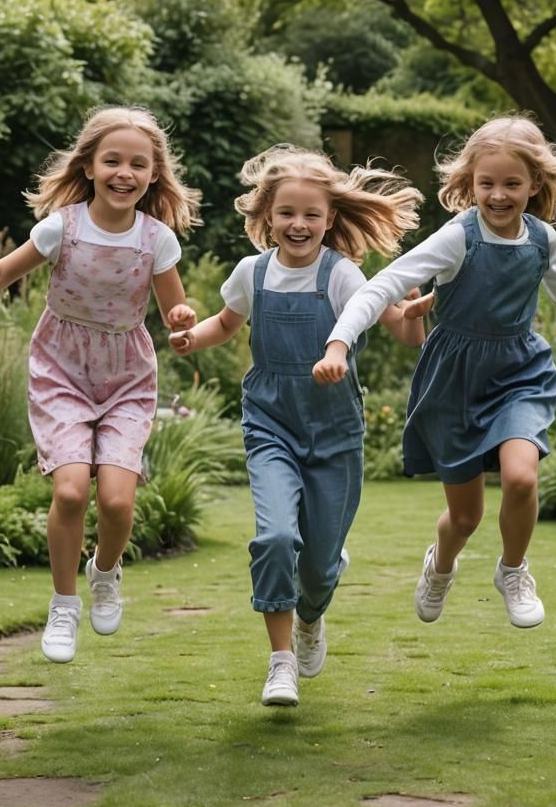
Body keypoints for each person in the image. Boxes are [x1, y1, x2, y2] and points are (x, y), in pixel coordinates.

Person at [312, 115, 556, 631]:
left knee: (521, 477)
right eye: (487, 184)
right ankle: (442, 566)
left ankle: (514, 569)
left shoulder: (541, 239)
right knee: (465, 517)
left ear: (535, 184)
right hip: (455, 380)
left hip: (520, 370)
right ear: (469, 184)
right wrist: (340, 343)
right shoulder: (458, 237)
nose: (498, 195)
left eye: (512, 184)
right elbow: (381, 287)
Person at [0, 105, 201, 664]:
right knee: (70, 491)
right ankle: (64, 604)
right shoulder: (62, 227)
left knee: (115, 501)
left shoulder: (156, 240)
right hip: (60, 367)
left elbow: (171, 309)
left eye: (138, 164)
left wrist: (183, 321)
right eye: (112, 160)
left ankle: (105, 573)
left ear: (154, 175)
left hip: (127, 376)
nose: (124, 172)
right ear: (88, 165)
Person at [169, 145, 425, 707]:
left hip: (334, 432)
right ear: (266, 217)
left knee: (318, 564)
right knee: (276, 537)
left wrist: (416, 312)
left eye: (311, 214)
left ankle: (314, 610)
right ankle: (280, 661)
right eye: (287, 213)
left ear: (330, 218)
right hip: (271, 424)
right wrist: (193, 337)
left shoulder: (341, 275)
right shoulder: (250, 273)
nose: (299, 224)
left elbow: (402, 333)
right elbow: (226, 322)